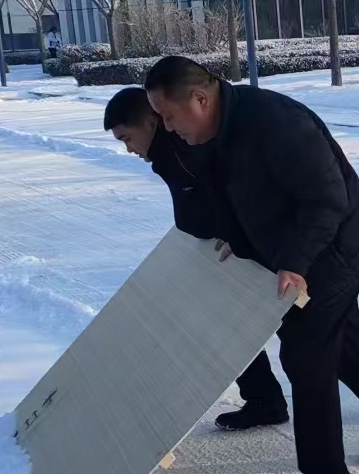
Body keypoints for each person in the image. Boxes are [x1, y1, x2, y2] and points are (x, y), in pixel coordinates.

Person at [144, 56, 359, 474]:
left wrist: (294, 264)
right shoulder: (215, 131)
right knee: (342, 345)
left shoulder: (276, 123)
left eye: (168, 115)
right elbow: (237, 198)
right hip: (302, 250)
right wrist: (239, 241)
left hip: (339, 243)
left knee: (306, 354)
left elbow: (326, 200)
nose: (166, 127)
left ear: (199, 98)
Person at [104, 85, 292, 431]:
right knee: (225, 321)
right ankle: (264, 399)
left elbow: (235, 185)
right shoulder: (168, 153)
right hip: (235, 245)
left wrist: (239, 232)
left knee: (318, 336)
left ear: (151, 122)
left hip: (267, 246)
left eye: (127, 138)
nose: (128, 149)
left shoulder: (183, 146)